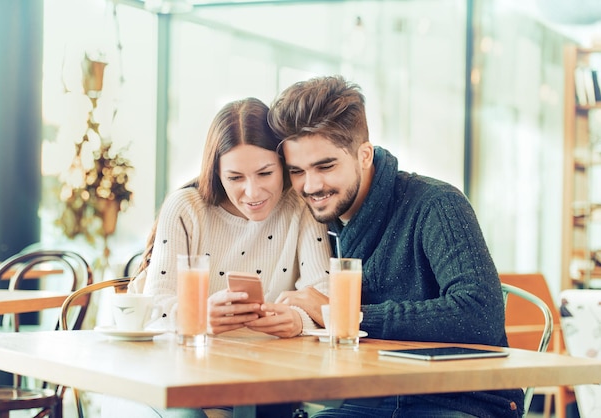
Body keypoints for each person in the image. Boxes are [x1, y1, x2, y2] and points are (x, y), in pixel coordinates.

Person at [267, 75, 525, 418]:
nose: (311, 185)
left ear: (364, 155)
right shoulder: (319, 223)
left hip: (461, 400)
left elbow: (480, 314)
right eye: (297, 171)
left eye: (326, 166)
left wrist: (342, 315)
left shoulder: (437, 205)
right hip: (369, 398)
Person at [102, 97, 331, 418]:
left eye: (265, 173)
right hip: (175, 377)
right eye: (235, 178)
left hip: (266, 377)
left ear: (283, 165)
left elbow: (326, 300)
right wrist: (199, 317)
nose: (252, 193)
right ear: (216, 172)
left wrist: (298, 321)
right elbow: (153, 310)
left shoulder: (298, 209)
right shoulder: (186, 208)